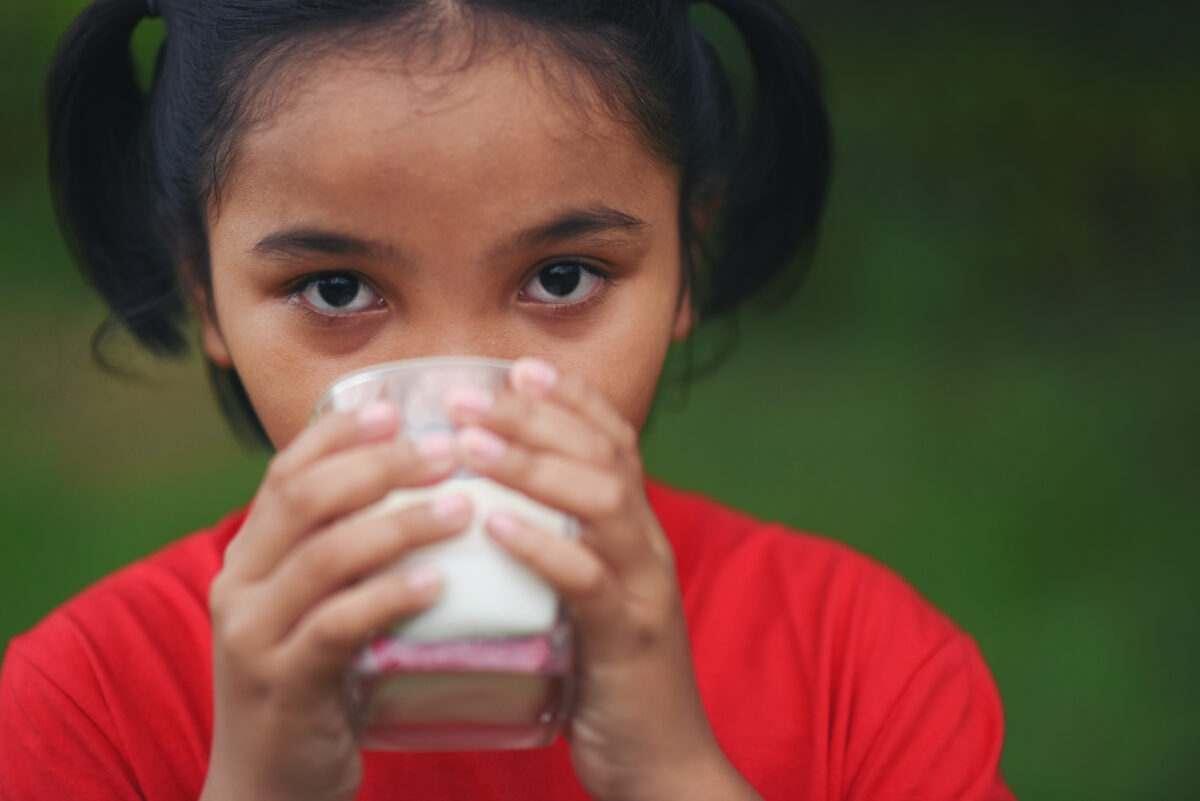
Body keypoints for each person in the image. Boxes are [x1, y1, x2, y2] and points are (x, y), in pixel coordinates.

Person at [0, 0, 1017, 799]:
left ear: (686, 263)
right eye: (339, 291)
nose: (459, 394)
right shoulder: (88, 704)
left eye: (564, 277)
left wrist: (673, 774)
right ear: (205, 295)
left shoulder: (862, 668)